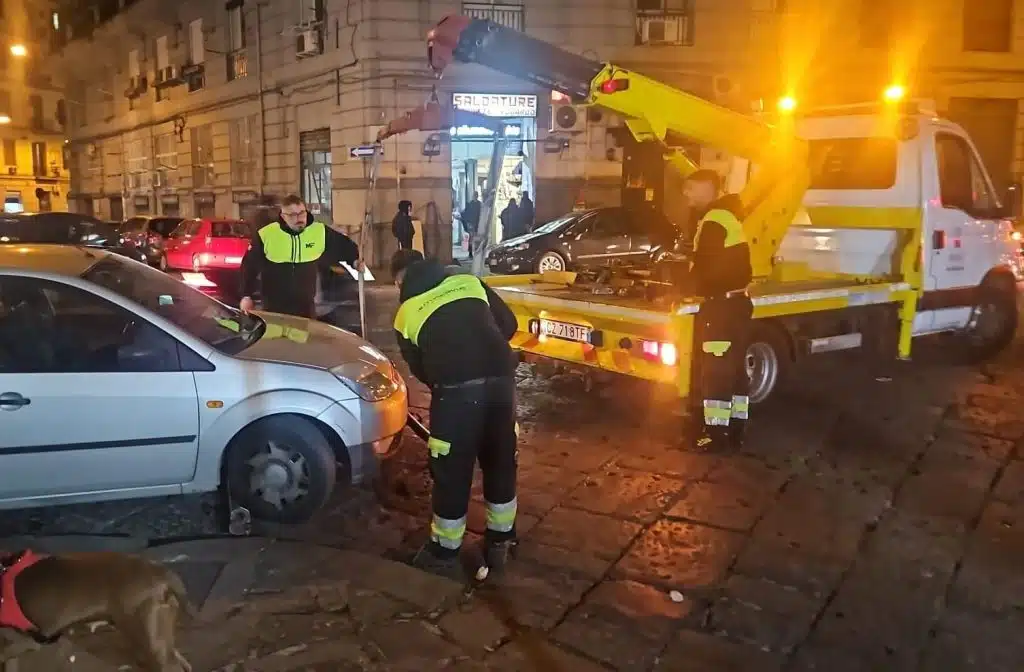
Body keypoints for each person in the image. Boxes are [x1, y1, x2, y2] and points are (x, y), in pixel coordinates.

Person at [390, 248, 520, 578]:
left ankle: (444, 551)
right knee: (500, 458)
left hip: (457, 391)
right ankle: (501, 541)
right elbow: (508, 323)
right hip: (502, 378)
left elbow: (421, 368)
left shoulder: (406, 313)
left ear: (400, 280)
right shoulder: (468, 281)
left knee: (452, 469)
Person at [684, 169, 754, 452]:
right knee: (736, 371)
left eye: (690, 188)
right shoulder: (728, 217)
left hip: (721, 308)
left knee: (716, 372)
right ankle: (736, 429)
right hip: (737, 304)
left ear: (707, 189)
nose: (686, 195)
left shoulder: (712, 221)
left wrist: (681, 286)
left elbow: (706, 269)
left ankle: (715, 436)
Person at [239, 194, 359, 318]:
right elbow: (249, 266)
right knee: (276, 337)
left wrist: (354, 260)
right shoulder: (267, 234)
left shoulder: (318, 231)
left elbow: (343, 245)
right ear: (283, 217)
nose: (299, 218)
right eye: (292, 215)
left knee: (302, 336)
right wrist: (246, 295)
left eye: (302, 213)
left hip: (305, 308)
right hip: (274, 307)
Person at [460, 193, 481, 258]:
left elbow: (465, 213)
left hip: (473, 224)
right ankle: (473, 252)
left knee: (473, 239)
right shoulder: (478, 204)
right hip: (474, 224)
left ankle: (472, 253)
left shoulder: (471, 204)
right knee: (473, 238)